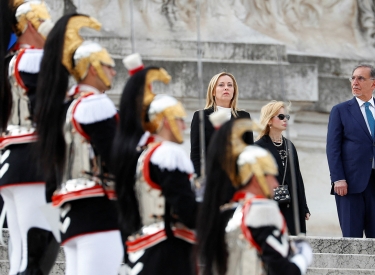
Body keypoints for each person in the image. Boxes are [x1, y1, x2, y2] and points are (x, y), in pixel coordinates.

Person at [35, 14, 123, 274]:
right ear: (92, 68)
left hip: (69, 215)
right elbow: (115, 159)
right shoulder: (97, 104)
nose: (113, 71)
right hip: (98, 211)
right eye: (108, 65)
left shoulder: (64, 106)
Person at [112, 53, 197, 275]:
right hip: (168, 249)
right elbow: (187, 211)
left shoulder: (144, 155)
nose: (184, 127)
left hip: (145, 245)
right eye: (179, 119)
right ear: (165, 120)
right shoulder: (168, 154)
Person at [197, 118, 312, 275]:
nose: (275, 183)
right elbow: (283, 271)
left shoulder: (225, 212)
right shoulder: (261, 210)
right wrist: (302, 258)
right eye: (270, 175)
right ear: (255, 178)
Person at [0, 1, 59, 274]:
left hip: (13, 162)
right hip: (34, 163)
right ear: (31, 26)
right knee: (37, 250)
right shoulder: (35, 59)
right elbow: (49, 107)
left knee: (21, 253)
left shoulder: (11, 61)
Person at [327, 64, 375, 238]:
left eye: (361, 78)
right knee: (351, 239)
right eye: (353, 78)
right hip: (349, 184)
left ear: (373, 84)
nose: (355, 82)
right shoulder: (340, 110)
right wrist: (338, 178)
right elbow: (333, 147)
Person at [255, 101, 310, 236]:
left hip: (292, 205)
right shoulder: (258, 147)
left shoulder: (289, 145)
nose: (285, 120)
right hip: (271, 205)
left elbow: (297, 177)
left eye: (287, 117)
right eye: (281, 117)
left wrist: (304, 207)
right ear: (269, 120)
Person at [190, 72, 254, 177]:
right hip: (211, 177)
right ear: (213, 91)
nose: (226, 88)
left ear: (234, 91)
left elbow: (250, 150)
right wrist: (198, 177)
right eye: (221, 85)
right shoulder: (201, 116)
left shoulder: (244, 116)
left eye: (230, 85)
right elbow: (195, 153)